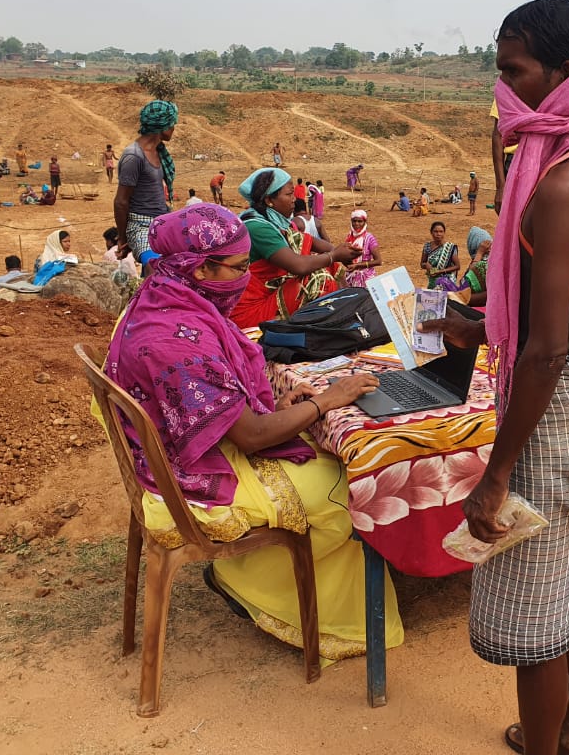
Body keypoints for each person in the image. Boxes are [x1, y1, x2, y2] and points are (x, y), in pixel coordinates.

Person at [421, 0, 569, 755]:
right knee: (567, 578)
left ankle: (550, 744)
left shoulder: (567, 187)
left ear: (564, 74)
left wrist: (496, 474)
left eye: (514, 71)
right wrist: (476, 327)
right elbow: (556, 319)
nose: (502, 87)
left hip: (553, 398)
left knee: (539, 605)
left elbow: (544, 351)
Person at [100, 204, 403, 661]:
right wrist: (326, 400)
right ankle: (267, 589)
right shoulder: (176, 341)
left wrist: (272, 406)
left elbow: (226, 410)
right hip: (194, 482)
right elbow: (252, 436)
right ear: (199, 266)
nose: (248, 277)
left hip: (171, 456)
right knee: (353, 484)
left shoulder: (161, 301)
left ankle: (260, 581)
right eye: (241, 268)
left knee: (325, 451)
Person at [229, 168, 357, 329]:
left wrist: (342, 252)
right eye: (289, 194)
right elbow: (299, 266)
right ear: (269, 200)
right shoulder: (256, 227)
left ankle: (348, 314)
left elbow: (311, 242)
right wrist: (334, 255)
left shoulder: (277, 222)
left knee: (330, 264)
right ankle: (332, 328)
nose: (294, 200)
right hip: (251, 308)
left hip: (271, 293)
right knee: (315, 279)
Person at [115, 100, 178, 266]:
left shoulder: (158, 151)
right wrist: (123, 238)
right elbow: (121, 202)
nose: (173, 128)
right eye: (172, 124)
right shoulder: (134, 157)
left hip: (161, 221)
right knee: (154, 266)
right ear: (162, 127)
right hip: (140, 225)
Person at [343, 209, 381, 288]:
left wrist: (357, 265)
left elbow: (378, 261)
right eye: (354, 221)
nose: (356, 224)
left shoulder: (370, 238)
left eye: (360, 221)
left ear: (365, 222)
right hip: (351, 276)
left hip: (366, 279)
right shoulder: (349, 237)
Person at [420, 221, 459, 288]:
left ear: (444, 233)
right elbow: (422, 263)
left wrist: (440, 271)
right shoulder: (427, 246)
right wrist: (426, 265)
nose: (438, 234)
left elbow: (457, 266)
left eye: (441, 231)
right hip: (432, 282)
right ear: (431, 232)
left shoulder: (450, 247)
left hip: (447, 282)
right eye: (436, 231)